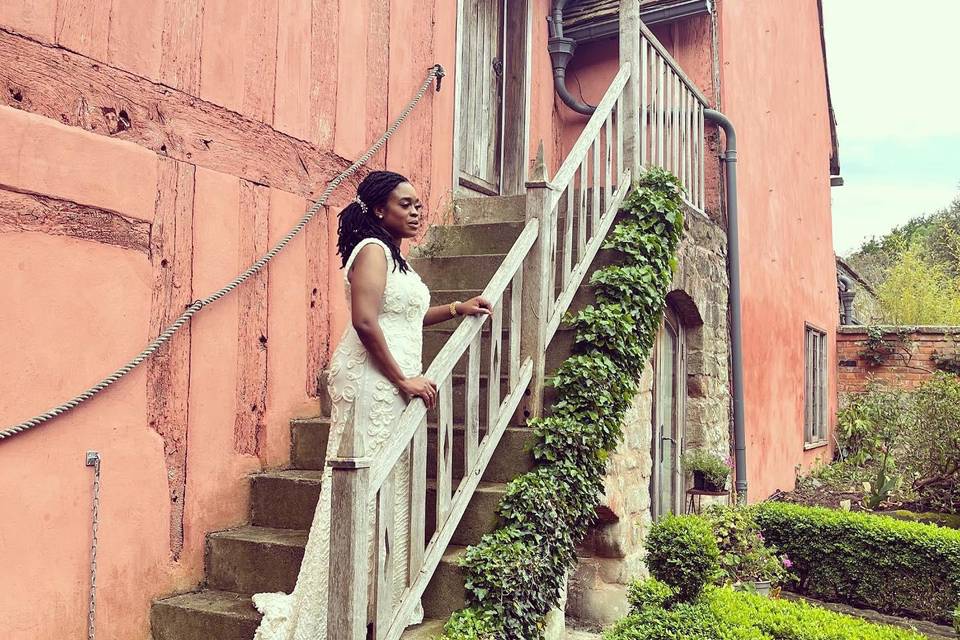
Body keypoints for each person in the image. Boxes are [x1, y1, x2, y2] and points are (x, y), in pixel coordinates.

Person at [252, 171, 491, 639]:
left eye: (420, 203)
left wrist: (457, 308)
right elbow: (365, 321)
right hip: (371, 382)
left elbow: (405, 314)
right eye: (406, 204)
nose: (417, 211)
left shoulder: (396, 259)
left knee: (389, 488)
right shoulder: (373, 252)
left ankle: (375, 597)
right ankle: (333, 604)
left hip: (391, 382)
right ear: (380, 210)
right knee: (360, 485)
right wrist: (402, 378)